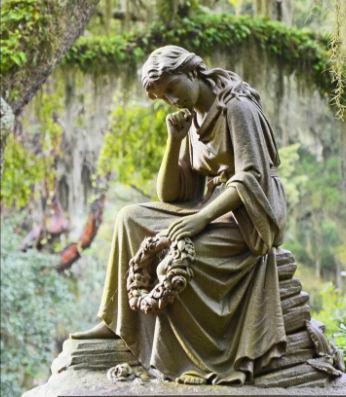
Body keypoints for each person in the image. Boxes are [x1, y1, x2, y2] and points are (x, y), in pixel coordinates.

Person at [70, 45, 288, 385]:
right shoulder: (193, 118)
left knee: (175, 258)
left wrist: (199, 221)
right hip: (211, 208)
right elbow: (171, 195)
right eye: (162, 97)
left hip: (249, 217)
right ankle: (117, 321)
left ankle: (190, 358)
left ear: (191, 71)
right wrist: (175, 141)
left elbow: (250, 177)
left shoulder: (237, 107)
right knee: (129, 217)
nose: (170, 100)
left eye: (171, 89)